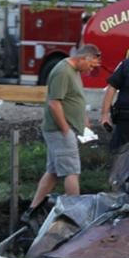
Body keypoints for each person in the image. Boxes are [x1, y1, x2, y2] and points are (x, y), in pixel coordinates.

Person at [23, 44, 102, 221]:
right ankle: (76, 215)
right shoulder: (63, 71)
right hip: (60, 130)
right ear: (84, 58)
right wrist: (66, 129)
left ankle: (32, 210)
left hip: (66, 129)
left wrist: (84, 117)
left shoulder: (74, 71)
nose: (91, 70)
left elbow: (74, 98)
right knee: (72, 171)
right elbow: (54, 103)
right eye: (91, 65)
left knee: (52, 171)